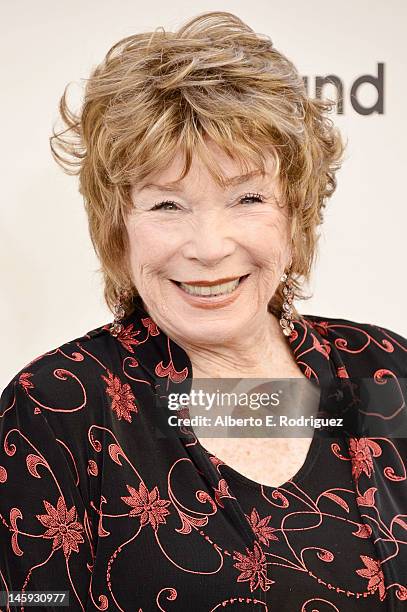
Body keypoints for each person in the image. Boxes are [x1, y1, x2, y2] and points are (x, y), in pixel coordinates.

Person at [1, 10, 406, 612]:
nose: (210, 246)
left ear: (295, 218)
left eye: (247, 197)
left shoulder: (384, 369)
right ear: (118, 231)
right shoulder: (55, 407)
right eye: (167, 205)